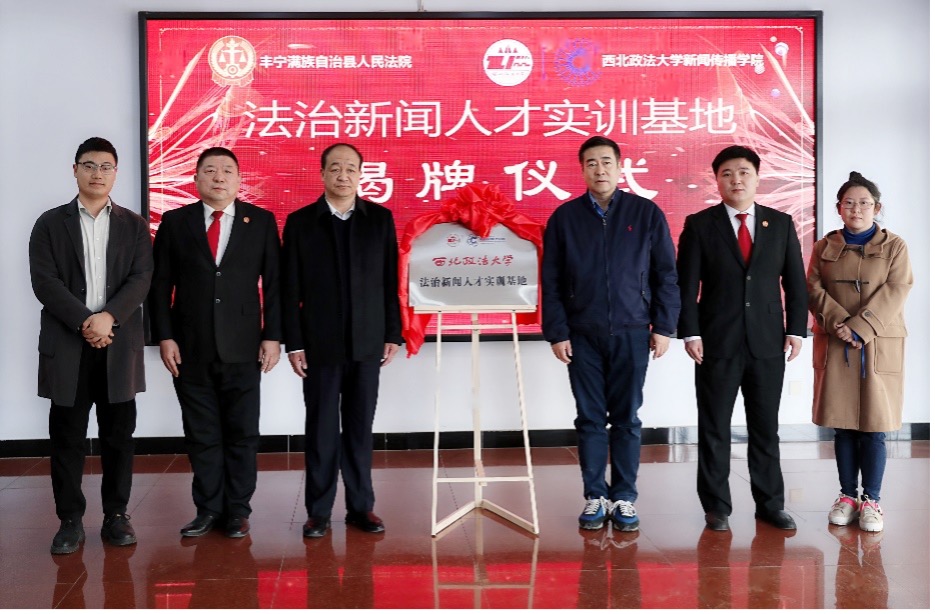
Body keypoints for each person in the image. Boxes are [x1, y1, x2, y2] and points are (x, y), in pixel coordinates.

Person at [541, 135, 680, 532]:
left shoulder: (645, 212)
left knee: (626, 419)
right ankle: (595, 496)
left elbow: (666, 275)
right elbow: (551, 281)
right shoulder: (565, 218)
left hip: (633, 331)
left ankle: (624, 497)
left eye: (606, 162)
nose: (599, 170)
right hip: (581, 334)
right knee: (589, 418)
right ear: (582, 170)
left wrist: (664, 326)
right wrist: (557, 332)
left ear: (620, 167)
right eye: (591, 163)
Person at [149, 147, 282, 539]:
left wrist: (273, 336)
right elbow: (160, 286)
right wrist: (164, 336)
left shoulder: (260, 221)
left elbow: (276, 285)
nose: (219, 177)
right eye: (210, 170)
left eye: (227, 171)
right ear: (196, 179)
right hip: (190, 346)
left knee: (242, 433)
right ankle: (207, 509)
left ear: (239, 180)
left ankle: (237, 510)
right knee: (201, 433)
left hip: (244, 346)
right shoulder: (175, 222)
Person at [29, 137, 153, 554]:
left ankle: (116, 515)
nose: (97, 173)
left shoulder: (134, 226)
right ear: (75, 170)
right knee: (67, 436)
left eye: (106, 166)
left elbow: (141, 279)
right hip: (69, 344)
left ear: (116, 173)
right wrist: (87, 320)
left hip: (118, 344)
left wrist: (108, 317)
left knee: (119, 435)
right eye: (89, 165)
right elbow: (45, 281)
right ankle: (70, 520)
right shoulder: (50, 223)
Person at [676, 145, 808, 532]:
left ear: (757, 177)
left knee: (765, 427)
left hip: (768, 342)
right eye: (727, 173)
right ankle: (716, 507)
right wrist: (691, 332)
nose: (736, 180)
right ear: (717, 180)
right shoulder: (700, 225)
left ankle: (770, 504)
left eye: (744, 172)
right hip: (716, 341)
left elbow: (795, 283)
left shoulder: (780, 224)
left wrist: (795, 329)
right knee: (714, 426)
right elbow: (686, 287)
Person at [281, 142, 403, 539]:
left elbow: (390, 281)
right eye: (335, 168)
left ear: (361, 174)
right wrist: (294, 343)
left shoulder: (379, 219)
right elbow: (289, 289)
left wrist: (392, 333)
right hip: (320, 345)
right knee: (320, 429)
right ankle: (318, 512)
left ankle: (361, 507)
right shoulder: (301, 222)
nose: (343, 175)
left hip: (367, 343)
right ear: (322, 174)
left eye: (351, 168)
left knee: (359, 427)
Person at [808, 171, 912, 533]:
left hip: (878, 344)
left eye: (864, 203)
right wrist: (841, 323)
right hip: (837, 342)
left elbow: (897, 289)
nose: (856, 209)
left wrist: (860, 326)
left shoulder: (895, 246)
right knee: (843, 426)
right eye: (849, 203)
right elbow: (813, 288)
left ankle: (872, 500)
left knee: (874, 427)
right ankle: (847, 497)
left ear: (876, 208)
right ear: (838, 208)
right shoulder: (824, 247)